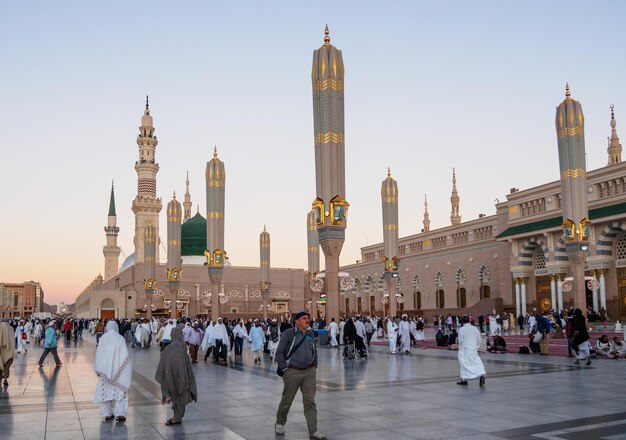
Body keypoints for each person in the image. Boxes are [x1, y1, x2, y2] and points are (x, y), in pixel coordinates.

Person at [274, 311, 326, 440]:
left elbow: (314, 349)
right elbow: (279, 353)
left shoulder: (310, 334)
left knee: (310, 402)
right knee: (287, 400)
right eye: (304, 318)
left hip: (309, 372)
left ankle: (313, 431)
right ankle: (280, 423)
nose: (307, 320)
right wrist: (285, 368)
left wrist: (315, 364)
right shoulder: (288, 334)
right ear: (297, 321)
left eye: (308, 318)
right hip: (292, 372)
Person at [155, 327, 197, 426]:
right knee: (181, 394)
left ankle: (177, 417)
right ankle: (178, 416)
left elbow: (164, 359)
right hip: (183, 375)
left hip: (173, 375)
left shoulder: (170, 347)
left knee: (176, 394)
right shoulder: (183, 346)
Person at [94, 321, 131, 422]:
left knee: (105, 392)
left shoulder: (103, 338)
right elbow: (124, 355)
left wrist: (98, 369)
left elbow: (99, 354)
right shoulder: (120, 338)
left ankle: (107, 413)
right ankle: (120, 413)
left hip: (104, 372)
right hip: (118, 371)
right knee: (120, 392)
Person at [456, 316, 486, 387]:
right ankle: (482, 374)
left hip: (465, 349)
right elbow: (479, 339)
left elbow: (460, 340)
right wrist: (476, 347)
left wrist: (460, 348)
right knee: (476, 362)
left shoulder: (462, 329)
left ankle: (464, 379)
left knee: (463, 363)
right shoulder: (475, 328)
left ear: (462, 321)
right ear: (469, 321)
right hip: (473, 349)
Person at [0, 318, 15, 386]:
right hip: (9, 351)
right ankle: (5, 379)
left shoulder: (0, 327)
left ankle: (0, 379)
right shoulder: (11, 328)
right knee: (7, 366)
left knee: (0, 366)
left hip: (1, 350)